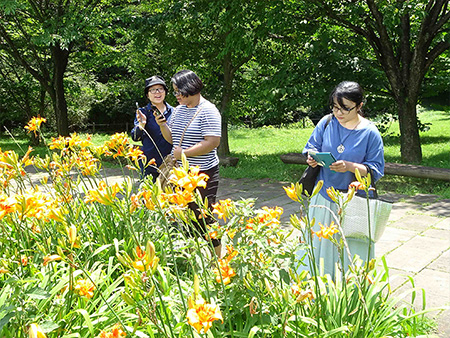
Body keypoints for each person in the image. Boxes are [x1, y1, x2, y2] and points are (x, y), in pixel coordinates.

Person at [298, 81, 385, 277]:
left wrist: (349, 167)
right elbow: (311, 147)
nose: (339, 113)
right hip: (323, 196)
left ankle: (351, 297)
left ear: (359, 106)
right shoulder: (327, 122)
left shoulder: (370, 133)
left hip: (354, 202)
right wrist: (312, 157)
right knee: (318, 246)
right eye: (336, 107)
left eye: (345, 108)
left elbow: (375, 170)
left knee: (351, 252)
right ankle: (316, 291)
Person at [155, 70, 222, 257]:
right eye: (174, 92)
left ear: (189, 88)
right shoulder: (179, 110)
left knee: (203, 217)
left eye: (178, 91)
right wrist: (162, 125)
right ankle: (191, 258)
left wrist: (184, 153)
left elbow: (212, 142)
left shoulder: (208, 110)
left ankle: (217, 260)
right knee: (182, 216)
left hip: (202, 173)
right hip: (179, 173)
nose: (175, 95)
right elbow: (172, 139)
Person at [131, 75, 174, 182]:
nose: (157, 93)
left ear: (165, 91)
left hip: (171, 164)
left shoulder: (175, 111)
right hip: (150, 165)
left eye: (160, 89)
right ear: (147, 94)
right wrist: (142, 125)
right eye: (153, 90)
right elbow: (135, 137)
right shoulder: (143, 112)